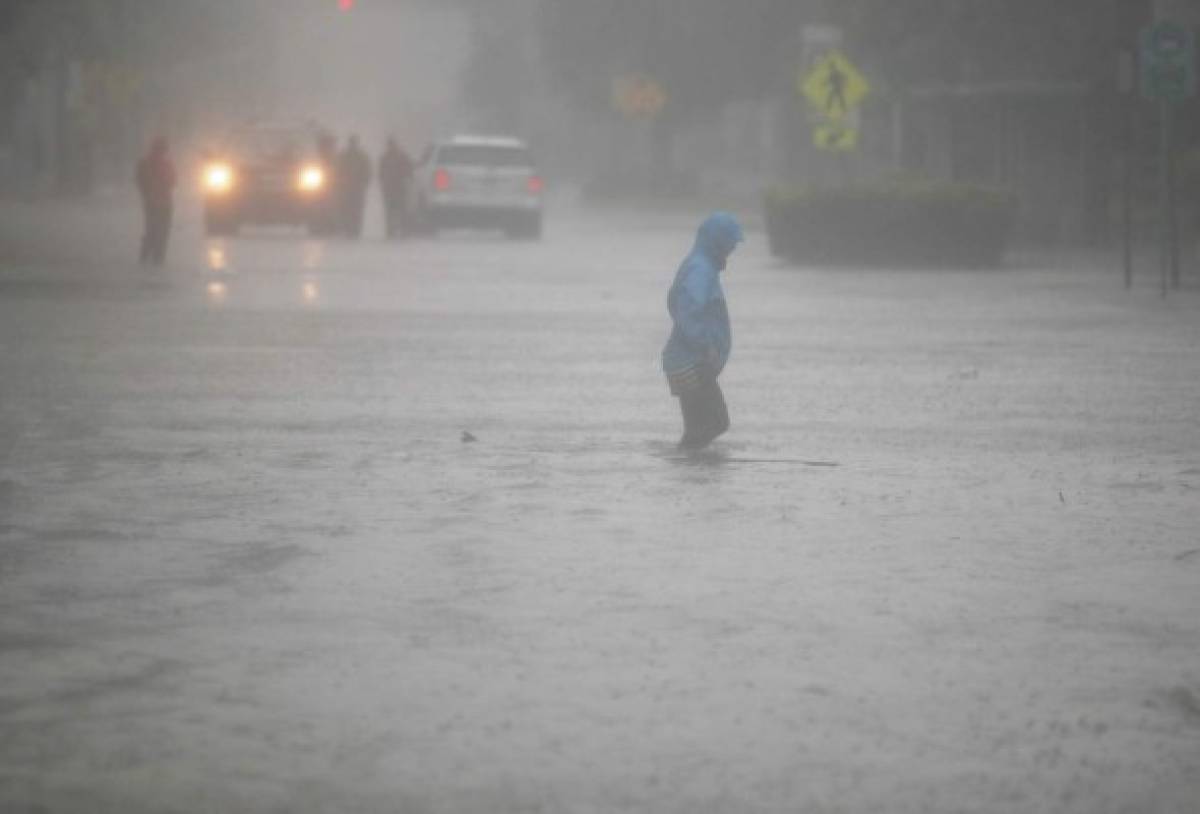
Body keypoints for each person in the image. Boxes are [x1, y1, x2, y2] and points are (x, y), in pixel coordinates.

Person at [661, 212, 744, 450]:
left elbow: (673, 301)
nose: (732, 250)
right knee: (712, 424)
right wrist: (705, 345)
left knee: (707, 426)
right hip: (691, 363)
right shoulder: (701, 269)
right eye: (730, 244)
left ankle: (691, 467)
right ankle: (690, 471)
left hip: (686, 362)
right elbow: (688, 310)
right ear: (718, 242)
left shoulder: (699, 264)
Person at [135, 136, 176, 267]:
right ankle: (155, 257)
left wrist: (147, 193)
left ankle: (150, 257)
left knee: (155, 230)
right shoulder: (162, 164)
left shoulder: (145, 163)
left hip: (156, 202)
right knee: (158, 231)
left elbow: (140, 181)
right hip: (160, 203)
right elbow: (173, 182)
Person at [378, 137, 414, 238]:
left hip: (399, 188)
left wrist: (408, 179)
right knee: (390, 211)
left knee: (401, 210)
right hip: (390, 189)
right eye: (389, 145)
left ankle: (403, 229)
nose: (390, 147)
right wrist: (383, 183)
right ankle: (391, 230)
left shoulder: (401, 157)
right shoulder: (385, 158)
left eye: (391, 145)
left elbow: (409, 169)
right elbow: (381, 173)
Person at [338, 135, 371, 239]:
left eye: (354, 142)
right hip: (347, 187)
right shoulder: (344, 156)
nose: (352, 144)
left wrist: (364, 182)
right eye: (351, 142)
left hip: (357, 187)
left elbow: (368, 171)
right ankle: (349, 229)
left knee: (357, 209)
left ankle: (356, 229)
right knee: (347, 209)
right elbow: (337, 171)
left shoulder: (362, 157)